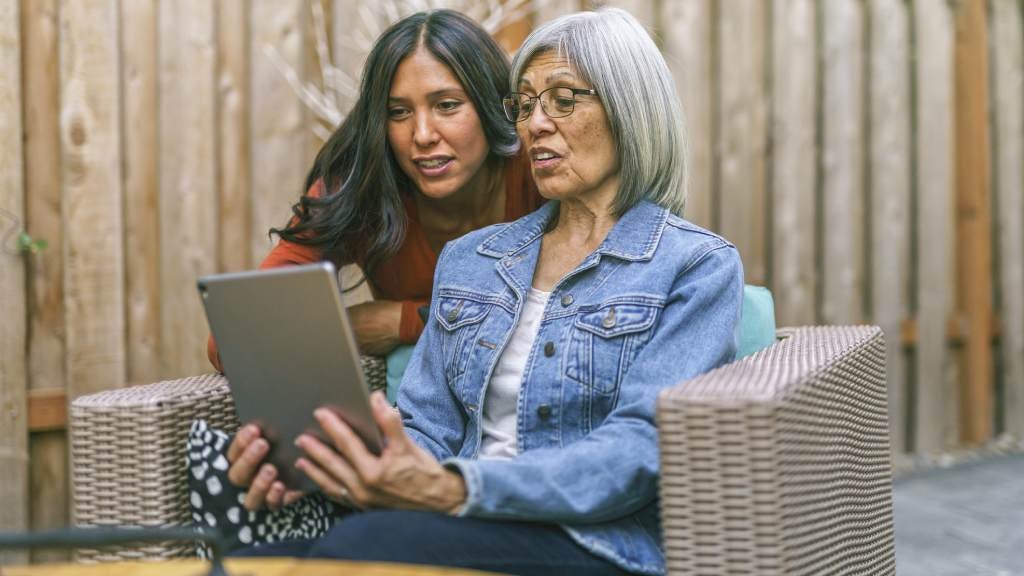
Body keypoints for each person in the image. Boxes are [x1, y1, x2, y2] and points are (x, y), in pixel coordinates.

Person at [227, 8, 743, 576]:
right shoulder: (473, 258)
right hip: (453, 525)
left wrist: (452, 487)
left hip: (596, 544)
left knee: (353, 553)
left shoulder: (695, 267)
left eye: (563, 99)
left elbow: (635, 453)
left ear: (629, 107)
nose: (536, 124)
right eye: (524, 105)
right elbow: (426, 426)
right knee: (251, 564)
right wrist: (345, 464)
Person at [205, 9, 543, 372]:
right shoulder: (363, 186)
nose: (423, 135)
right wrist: (344, 330)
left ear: (491, 104)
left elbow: (586, 314)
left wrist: (400, 321)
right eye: (398, 112)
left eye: (447, 105)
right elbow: (232, 341)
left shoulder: (538, 167)